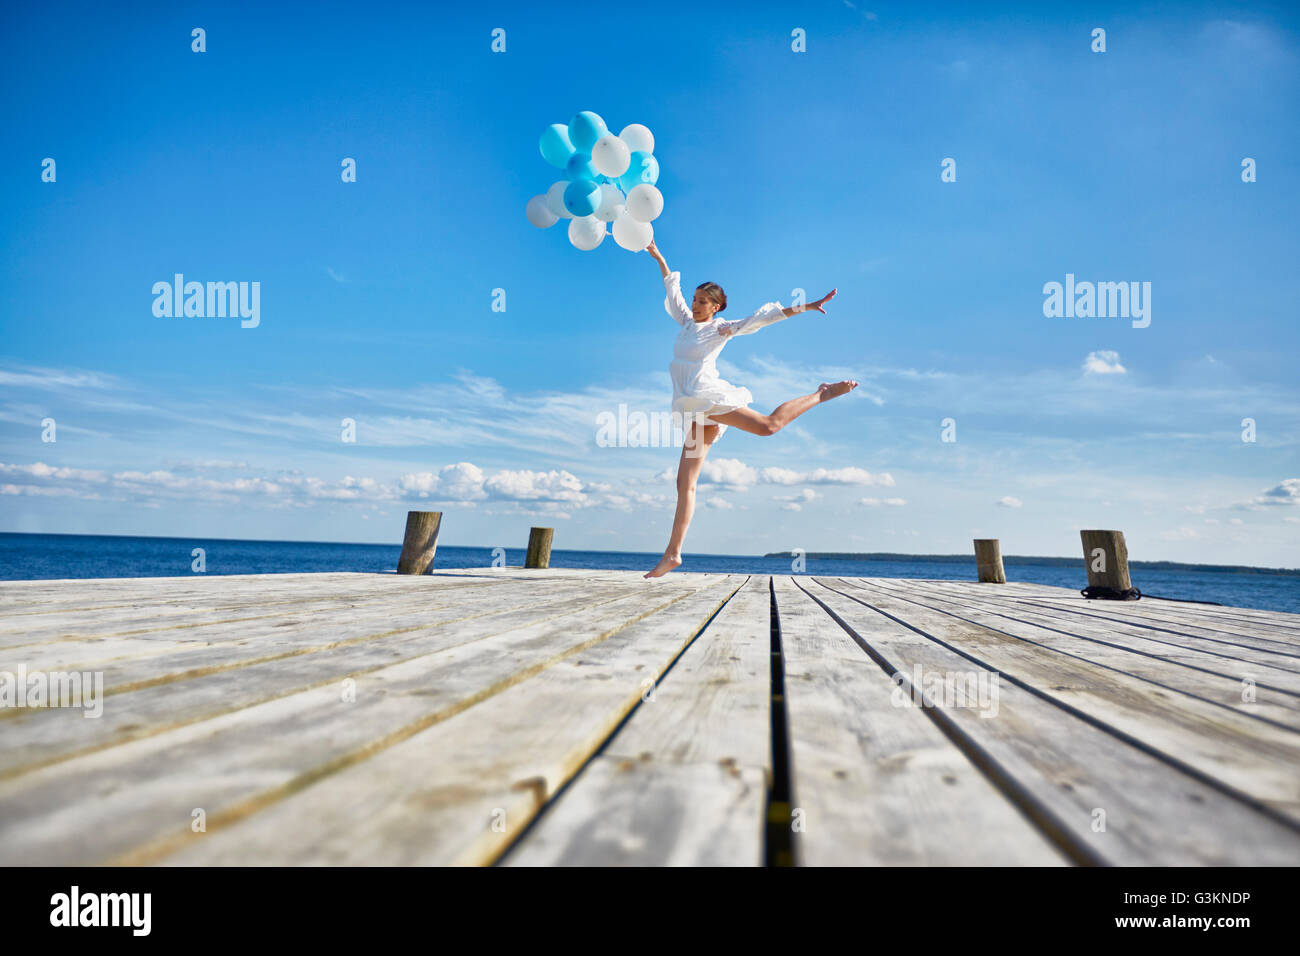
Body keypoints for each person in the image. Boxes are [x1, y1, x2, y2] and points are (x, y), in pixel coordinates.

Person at [642, 238, 858, 578]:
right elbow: (673, 291)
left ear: (716, 307)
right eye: (696, 300)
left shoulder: (720, 329)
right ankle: (673, 554)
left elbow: (763, 319)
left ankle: (821, 394)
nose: (696, 305)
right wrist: (658, 256)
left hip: (707, 398)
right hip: (692, 407)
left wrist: (805, 306)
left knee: (768, 426)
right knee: (685, 483)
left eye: (703, 302)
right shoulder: (686, 323)